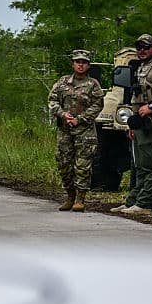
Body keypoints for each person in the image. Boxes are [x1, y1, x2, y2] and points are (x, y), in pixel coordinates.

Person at [110, 33, 152, 215]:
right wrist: (133, 124)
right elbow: (135, 97)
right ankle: (133, 201)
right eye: (139, 47)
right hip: (140, 123)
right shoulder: (141, 67)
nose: (142, 50)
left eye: (146, 47)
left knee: (151, 166)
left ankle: (145, 204)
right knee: (138, 166)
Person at [47, 49, 104, 212]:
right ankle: (69, 196)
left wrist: (80, 119)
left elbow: (98, 105)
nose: (80, 65)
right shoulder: (63, 82)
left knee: (82, 166)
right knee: (63, 163)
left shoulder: (93, 84)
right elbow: (52, 100)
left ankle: (80, 199)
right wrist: (63, 114)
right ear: (73, 63)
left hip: (84, 132)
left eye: (84, 62)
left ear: (88, 65)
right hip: (65, 131)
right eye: (78, 62)